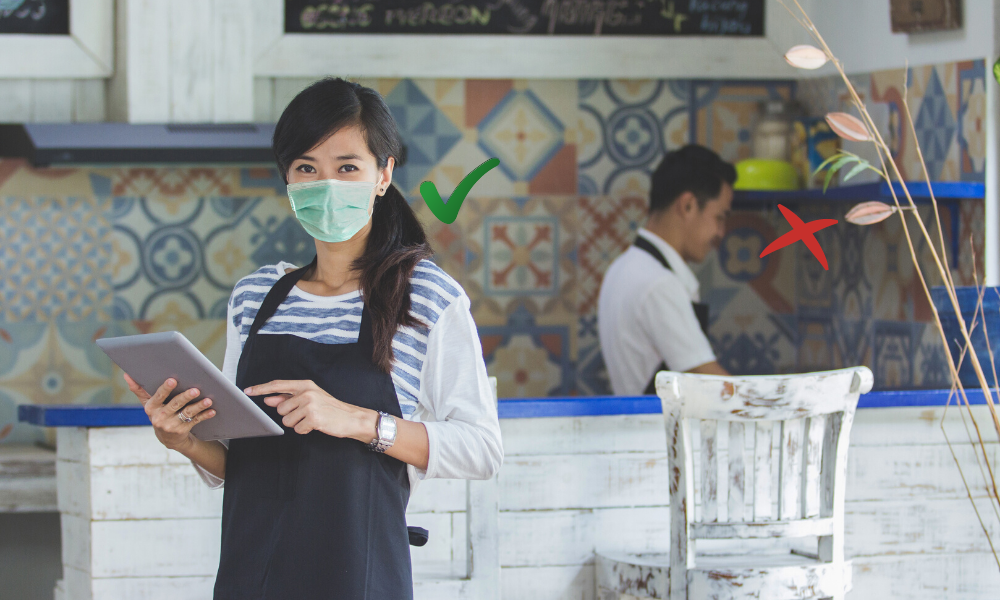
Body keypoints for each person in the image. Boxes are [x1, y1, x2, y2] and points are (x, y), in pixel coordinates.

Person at [123, 78, 503, 600]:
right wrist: (185, 439)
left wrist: (357, 421)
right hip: (250, 576)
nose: (326, 185)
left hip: (360, 578)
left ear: (383, 174)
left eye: (347, 167)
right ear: (288, 180)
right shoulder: (254, 297)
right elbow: (243, 463)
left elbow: (482, 450)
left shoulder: (427, 298)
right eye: (307, 169)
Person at [598, 144, 734, 396]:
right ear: (688, 205)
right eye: (720, 217)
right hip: (656, 432)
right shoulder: (658, 283)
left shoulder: (622, 267)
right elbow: (714, 386)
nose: (720, 233)